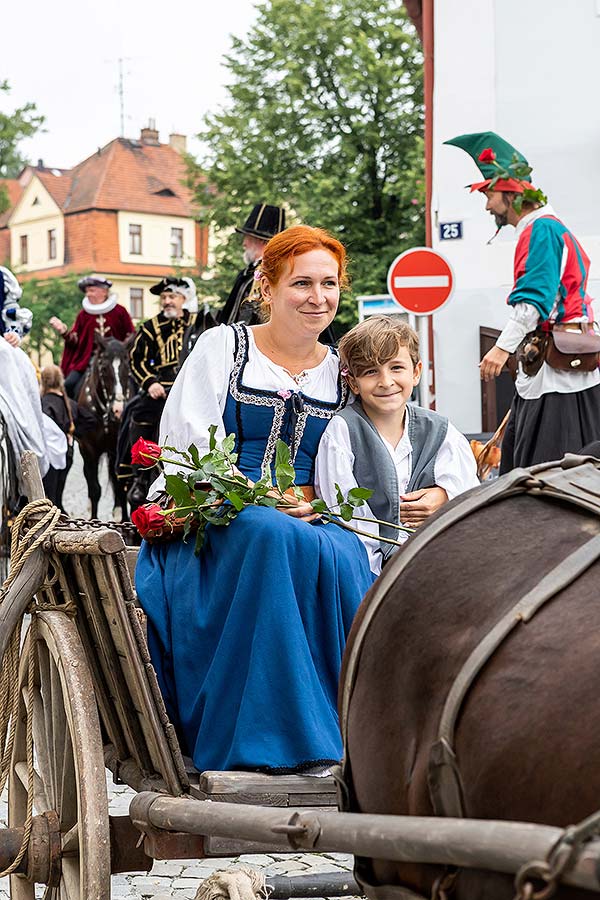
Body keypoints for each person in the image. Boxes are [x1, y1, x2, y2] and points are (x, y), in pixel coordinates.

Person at [135, 225, 375, 774]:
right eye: (302, 283)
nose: (318, 297)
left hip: (307, 517)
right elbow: (185, 446)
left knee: (349, 549)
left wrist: (320, 498)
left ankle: (350, 729)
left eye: (329, 283)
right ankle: (274, 739)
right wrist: (244, 492)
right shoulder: (225, 346)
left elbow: (358, 453)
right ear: (267, 288)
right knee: (266, 532)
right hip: (217, 517)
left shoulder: (342, 369)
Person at [445, 131, 600, 472]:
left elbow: (534, 302)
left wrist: (501, 349)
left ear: (509, 193)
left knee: (547, 470)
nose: (487, 206)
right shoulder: (552, 227)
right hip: (562, 364)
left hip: (556, 370)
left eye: (489, 195)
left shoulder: (541, 229)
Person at [315, 316, 479, 576]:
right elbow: (344, 511)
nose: (386, 381)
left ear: (415, 372)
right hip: (368, 568)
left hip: (436, 555)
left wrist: (445, 495)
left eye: (396, 368)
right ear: (353, 383)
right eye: (371, 371)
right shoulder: (343, 430)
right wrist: (376, 571)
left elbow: (470, 492)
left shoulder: (440, 430)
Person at [125, 277, 199, 509]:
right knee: (137, 414)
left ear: (183, 299)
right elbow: (136, 360)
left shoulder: (199, 324)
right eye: (164, 298)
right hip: (160, 389)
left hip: (192, 389)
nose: (167, 302)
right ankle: (138, 476)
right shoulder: (149, 327)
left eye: (172, 297)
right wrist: (149, 384)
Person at [50, 276, 135, 399]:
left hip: (117, 359)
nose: (88, 294)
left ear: (104, 292)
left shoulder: (120, 311)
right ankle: (71, 415)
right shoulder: (83, 315)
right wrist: (64, 332)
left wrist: (120, 350)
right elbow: (76, 341)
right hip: (88, 361)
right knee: (69, 385)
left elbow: (131, 335)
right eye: (87, 291)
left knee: (136, 385)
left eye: (92, 290)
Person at [217, 203, 287, 327]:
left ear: (260, 240)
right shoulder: (246, 273)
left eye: (247, 237)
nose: (244, 243)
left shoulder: (276, 274)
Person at [40, 365, 79, 511]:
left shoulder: (42, 403)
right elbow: (89, 421)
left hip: (48, 457)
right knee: (57, 494)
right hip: (67, 454)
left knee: (49, 497)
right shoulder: (70, 404)